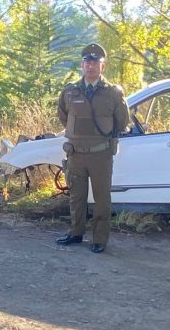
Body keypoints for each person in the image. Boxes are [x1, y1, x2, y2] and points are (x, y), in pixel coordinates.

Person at [55, 43, 129, 253]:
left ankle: (99, 239)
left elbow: (121, 121)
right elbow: (63, 116)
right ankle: (75, 233)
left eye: (96, 63)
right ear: (82, 65)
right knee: (76, 197)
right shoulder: (70, 91)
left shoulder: (113, 93)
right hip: (75, 153)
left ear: (102, 67)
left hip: (100, 155)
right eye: (88, 62)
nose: (91, 66)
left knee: (102, 199)